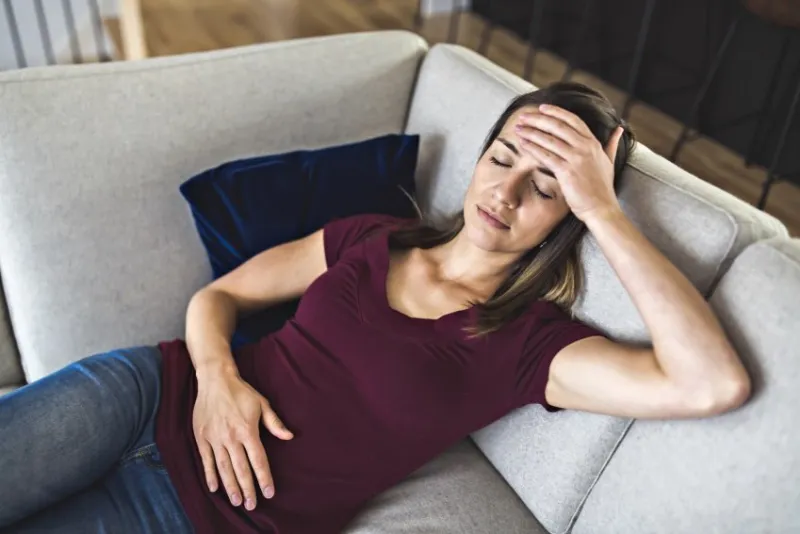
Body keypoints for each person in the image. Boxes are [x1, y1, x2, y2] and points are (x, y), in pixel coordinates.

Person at [0, 82, 751, 534]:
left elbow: (707, 385)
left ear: (573, 216)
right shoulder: (375, 237)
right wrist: (219, 383)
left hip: (202, 517)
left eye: (547, 189)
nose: (506, 193)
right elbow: (220, 296)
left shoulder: (528, 347)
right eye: (501, 158)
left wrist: (605, 210)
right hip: (144, 394)